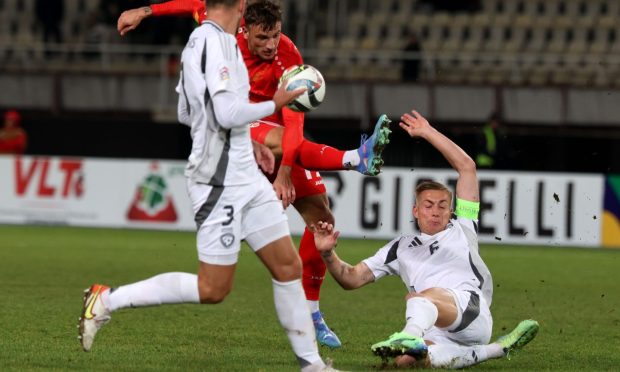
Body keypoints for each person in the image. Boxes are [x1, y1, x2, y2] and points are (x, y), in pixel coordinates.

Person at [116, 0, 393, 348]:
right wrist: (144, 12)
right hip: (237, 130)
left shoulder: (287, 56)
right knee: (271, 143)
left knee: (321, 216)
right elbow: (195, 4)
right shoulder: (221, 31)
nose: (270, 44)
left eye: (276, 35)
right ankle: (353, 158)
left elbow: (295, 124)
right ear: (245, 29)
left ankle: (312, 313)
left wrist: (286, 173)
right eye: (263, 37)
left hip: (278, 138)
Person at [79, 1, 333, 370]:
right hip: (218, 178)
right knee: (213, 288)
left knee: (287, 267)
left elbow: (187, 111)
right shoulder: (214, 44)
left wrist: (251, 141)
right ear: (241, 6)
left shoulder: (212, 40)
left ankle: (312, 365)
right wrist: (273, 104)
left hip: (244, 171)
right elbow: (226, 113)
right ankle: (106, 300)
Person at [311, 109, 539, 369]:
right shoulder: (400, 248)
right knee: (406, 363)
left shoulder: (463, 227)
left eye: (443, 205)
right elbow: (351, 278)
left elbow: (467, 168)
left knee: (420, 298)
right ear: (416, 211)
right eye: (428, 205)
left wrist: (427, 132)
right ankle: (497, 349)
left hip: (470, 312)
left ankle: (411, 335)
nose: (436, 211)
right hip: (435, 328)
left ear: (451, 210)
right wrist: (328, 254)